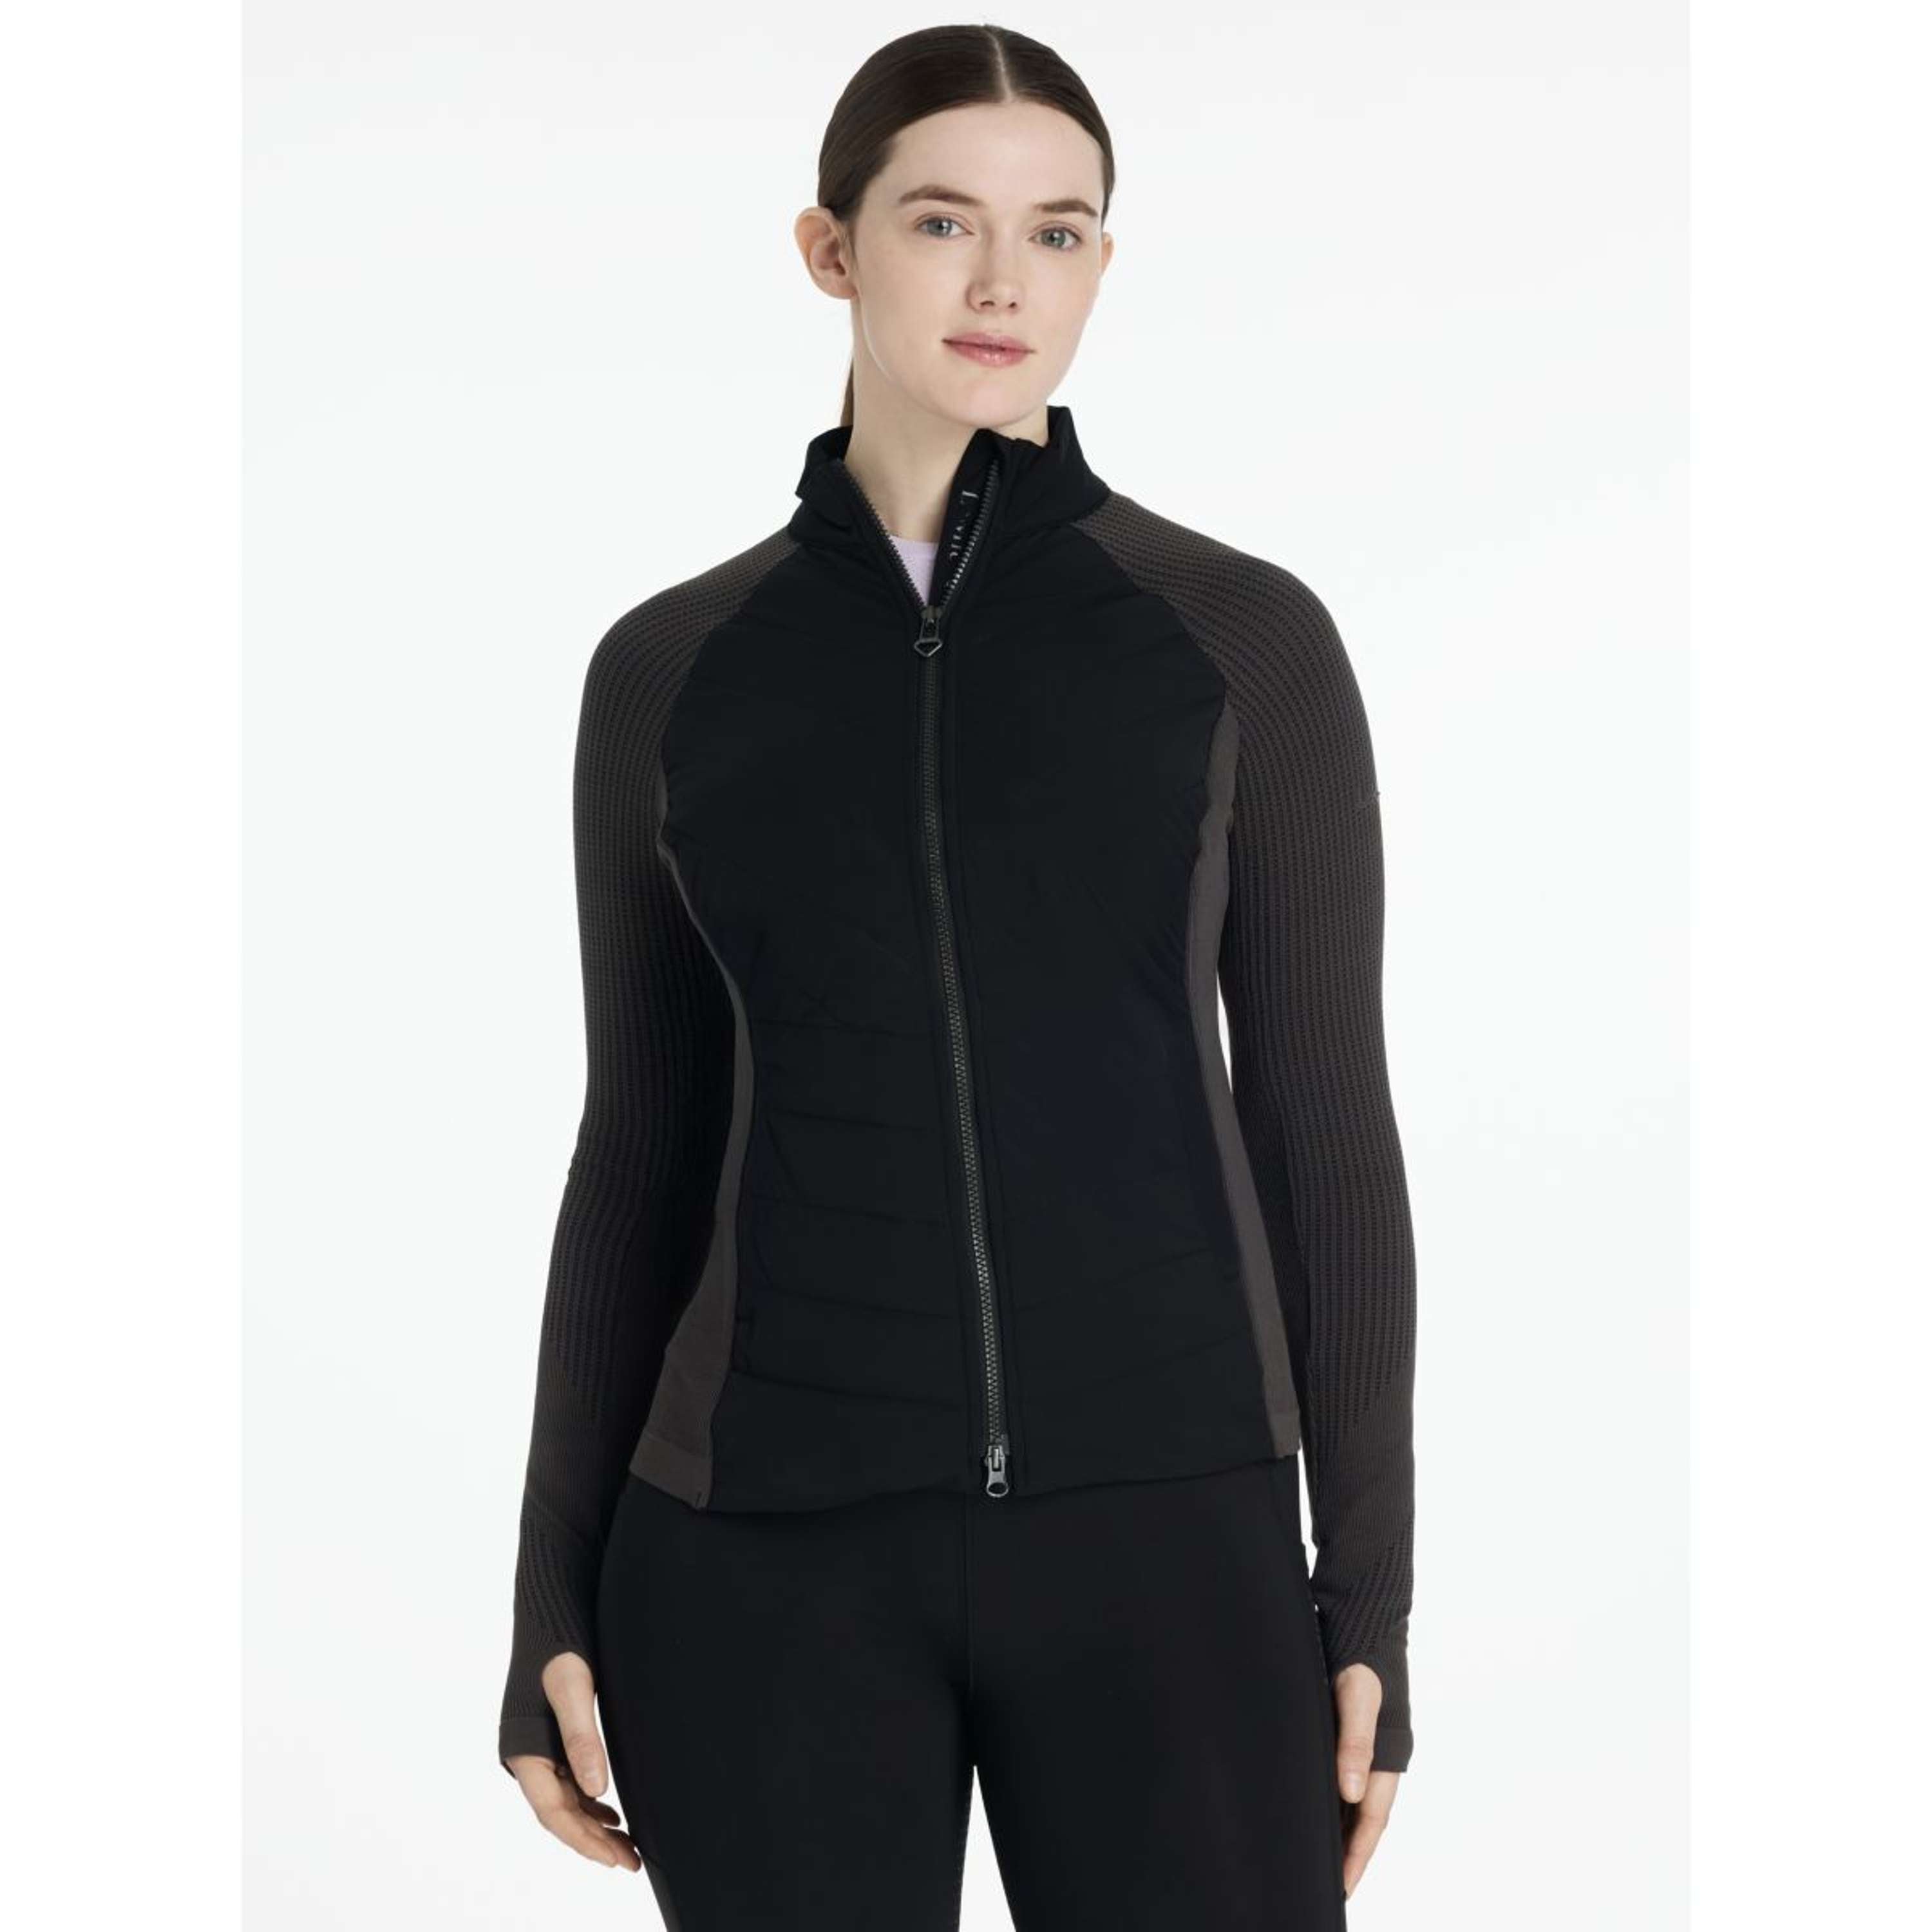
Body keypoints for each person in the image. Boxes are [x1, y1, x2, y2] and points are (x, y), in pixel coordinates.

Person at [498, 23, 1417, 1929]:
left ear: (1101, 264)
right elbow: (641, 1149)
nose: (1004, 282)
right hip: (758, 1556)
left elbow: (1323, 1129)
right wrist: (548, 1593)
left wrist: (1370, 1598)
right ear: (831, 250)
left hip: (1172, 1544)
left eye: (1057, 232)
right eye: (942, 222)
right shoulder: (675, 671)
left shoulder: (1237, 642)